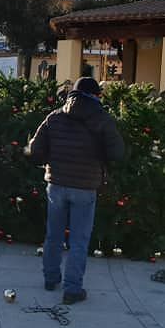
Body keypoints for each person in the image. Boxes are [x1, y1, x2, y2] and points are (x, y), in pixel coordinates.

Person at [29, 77, 125, 305]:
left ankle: (50, 279)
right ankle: (72, 290)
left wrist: (50, 161)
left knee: (53, 235)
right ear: (95, 96)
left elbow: (35, 149)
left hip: (57, 183)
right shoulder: (103, 119)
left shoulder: (55, 116)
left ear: (73, 94)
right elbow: (117, 153)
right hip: (85, 186)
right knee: (79, 241)